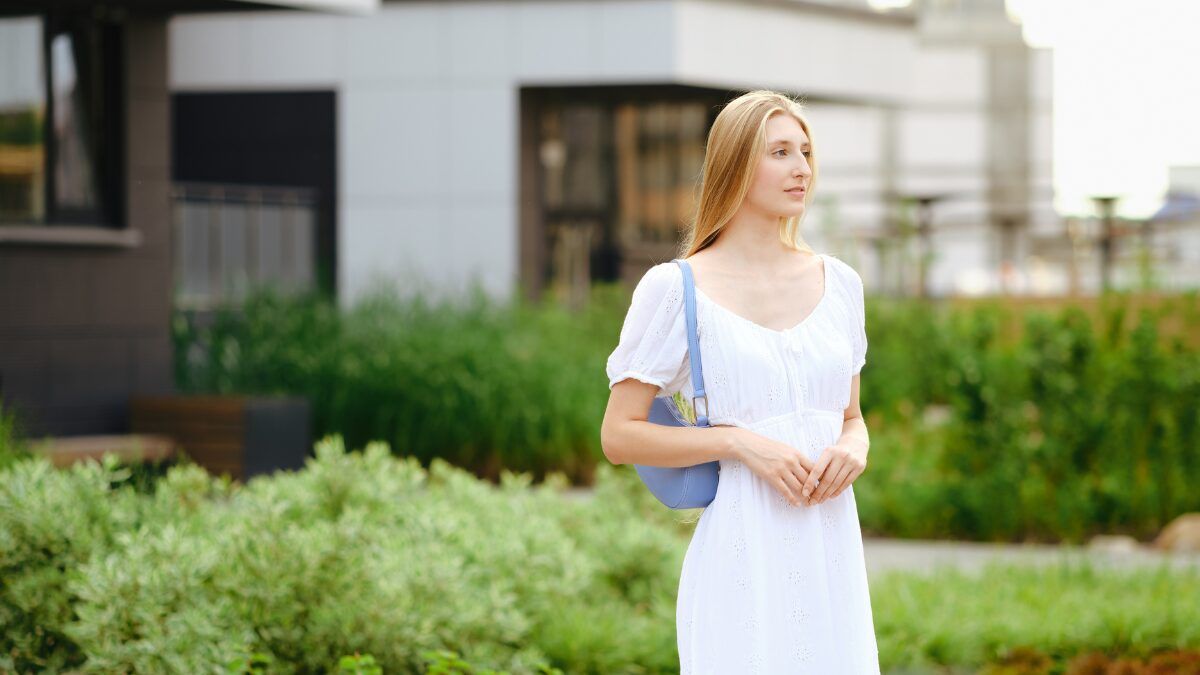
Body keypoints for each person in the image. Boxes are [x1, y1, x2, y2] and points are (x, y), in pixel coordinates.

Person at [600, 90, 880, 673]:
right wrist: (736, 441)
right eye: (780, 151)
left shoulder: (842, 284)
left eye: (805, 151)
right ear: (735, 165)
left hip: (831, 550)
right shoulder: (676, 289)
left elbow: (851, 416)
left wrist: (855, 447)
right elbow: (618, 435)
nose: (802, 167)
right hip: (742, 556)